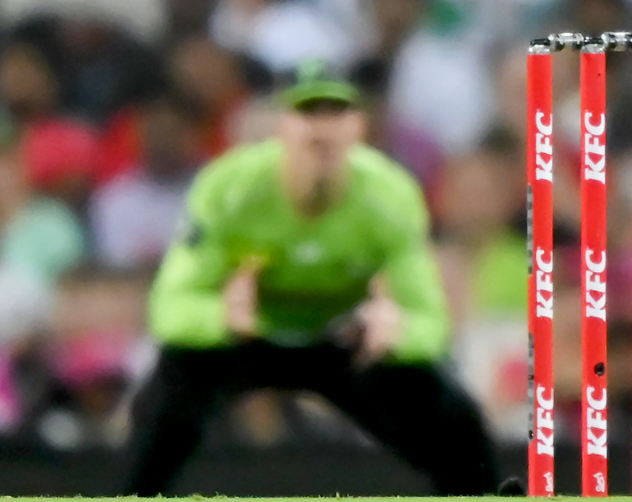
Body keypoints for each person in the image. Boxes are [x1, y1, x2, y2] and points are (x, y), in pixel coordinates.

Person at [119, 62, 499, 496]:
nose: (322, 130)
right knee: (163, 401)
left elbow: (430, 322)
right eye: (308, 114)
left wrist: (396, 331)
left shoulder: (389, 196)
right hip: (248, 335)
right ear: (281, 126)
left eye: (335, 114)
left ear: (358, 126)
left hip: (344, 338)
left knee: (453, 417)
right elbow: (170, 309)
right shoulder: (229, 189)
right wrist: (221, 317)